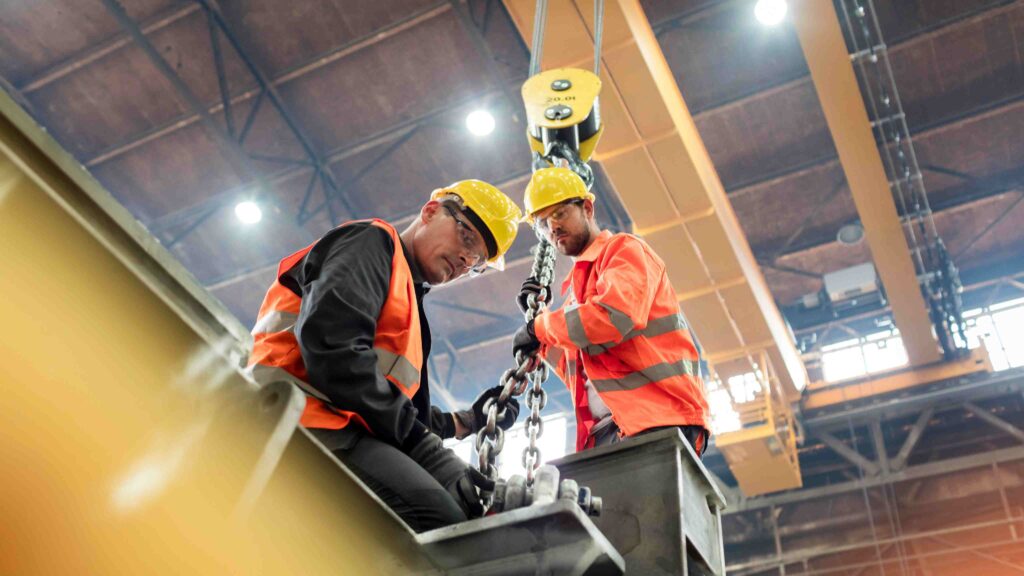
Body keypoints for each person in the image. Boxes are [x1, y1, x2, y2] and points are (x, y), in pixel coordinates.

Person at [245, 180, 523, 532]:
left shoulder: (409, 304)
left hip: (343, 425)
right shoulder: (370, 243)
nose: (467, 260)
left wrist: (465, 421)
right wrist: (428, 452)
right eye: (467, 238)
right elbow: (332, 347)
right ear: (430, 211)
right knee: (440, 520)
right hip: (299, 416)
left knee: (459, 519)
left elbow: (401, 415)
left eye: (479, 261)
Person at [512, 167, 711, 457]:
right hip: (612, 431)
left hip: (660, 419)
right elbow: (577, 372)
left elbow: (613, 317)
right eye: (542, 223)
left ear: (587, 208)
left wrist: (540, 328)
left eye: (559, 213)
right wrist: (538, 330)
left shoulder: (623, 251)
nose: (551, 227)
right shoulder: (576, 297)